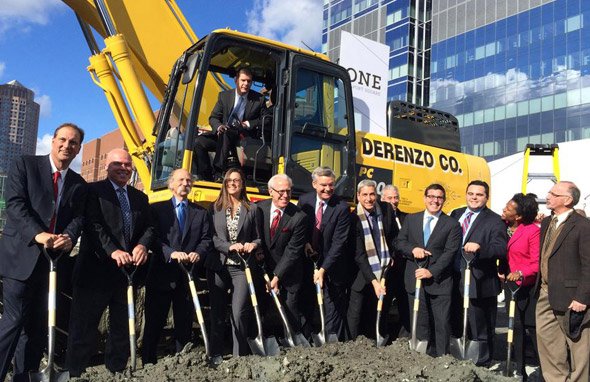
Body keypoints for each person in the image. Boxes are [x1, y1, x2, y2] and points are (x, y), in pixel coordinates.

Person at [0, 123, 86, 381]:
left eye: (73, 143)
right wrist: (39, 234)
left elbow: (78, 217)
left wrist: (69, 236)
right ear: (52, 141)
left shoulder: (78, 183)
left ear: (78, 148)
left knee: (36, 328)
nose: (66, 146)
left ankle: (24, 376)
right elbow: (14, 205)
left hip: (51, 264)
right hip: (21, 258)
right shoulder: (25, 165)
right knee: (14, 322)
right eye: (62, 139)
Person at [66, 148, 155, 376]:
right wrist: (112, 251)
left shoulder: (140, 198)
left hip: (125, 276)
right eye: (118, 164)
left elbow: (149, 227)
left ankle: (116, 372)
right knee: (84, 330)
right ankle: (75, 374)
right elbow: (92, 225)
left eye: (127, 165)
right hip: (94, 273)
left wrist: (142, 245)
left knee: (122, 330)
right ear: (107, 166)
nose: (124, 168)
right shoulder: (93, 191)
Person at [142, 169, 212, 364]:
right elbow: (152, 238)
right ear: (171, 184)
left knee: (184, 324)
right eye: (181, 180)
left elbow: (206, 239)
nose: (185, 183)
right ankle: (148, 362)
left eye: (189, 180)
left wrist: (198, 252)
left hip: (187, 277)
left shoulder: (201, 212)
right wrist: (170, 253)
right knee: (154, 322)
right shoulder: (156, 209)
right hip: (161, 274)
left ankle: (182, 363)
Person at [396, 184, 462, 357]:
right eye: (431, 196)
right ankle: (421, 359)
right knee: (420, 323)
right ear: (425, 198)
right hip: (415, 280)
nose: (435, 200)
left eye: (439, 197)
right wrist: (413, 249)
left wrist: (431, 271)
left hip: (439, 282)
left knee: (441, 324)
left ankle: (442, 360)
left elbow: (450, 253)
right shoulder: (411, 219)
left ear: (444, 200)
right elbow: (400, 242)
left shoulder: (452, 224)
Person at [535, 181, 590, 381]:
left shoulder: (583, 226)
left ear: (567, 200)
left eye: (553, 193)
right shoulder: (547, 222)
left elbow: (588, 264)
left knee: (579, 349)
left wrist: (582, 297)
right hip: (545, 293)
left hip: (572, 298)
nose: (547, 196)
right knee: (549, 345)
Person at [205, 168, 260, 365]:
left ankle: (239, 356)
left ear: (242, 183)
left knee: (239, 311)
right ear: (225, 183)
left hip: (241, 267)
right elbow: (211, 238)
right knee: (218, 311)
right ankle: (216, 354)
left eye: (237, 180)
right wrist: (229, 246)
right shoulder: (214, 208)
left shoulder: (252, 209)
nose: (233, 183)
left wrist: (253, 244)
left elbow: (259, 237)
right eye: (229, 180)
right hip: (219, 267)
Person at [449, 180, 507, 366]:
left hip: (480, 281)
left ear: (486, 197)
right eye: (471, 193)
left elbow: (500, 248)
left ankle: (482, 362)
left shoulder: (495, 220)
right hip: (455, 277)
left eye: (479, 194)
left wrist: (480, 248)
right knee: (457, 320)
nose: (474, 197)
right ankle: (459, 358)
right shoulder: (456, 214)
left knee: (480, 325)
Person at [298, 167, 351, 340]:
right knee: (306, 301)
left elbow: (339, 243)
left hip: (332, 264)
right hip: (308, 261)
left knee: (330, 304)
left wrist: (323, 270)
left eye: (331, 185)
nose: (328, 189)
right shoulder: (304, 201)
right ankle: (305, 339)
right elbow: (300, 228)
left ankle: (330, 341)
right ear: (314, 184)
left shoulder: (342, 208)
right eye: (323, 185)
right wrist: (305, 242)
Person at [346, 180, 399, 341]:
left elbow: (395, 238)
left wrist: (392, 256)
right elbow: (359, 255)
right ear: (358, 196)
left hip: (383, 270)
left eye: (372, 194)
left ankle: (376, 341)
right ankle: (352, 345)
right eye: (365, 195)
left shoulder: (386, 209)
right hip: (361, 275)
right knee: (356, 313)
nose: (369, 199)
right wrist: (374, 282)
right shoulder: (353, 218)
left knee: (378, 311)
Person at [257, 174, 307, 337]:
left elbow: (293, 251)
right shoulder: (259, 209)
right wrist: (265, 274)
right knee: (261, 310)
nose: (285, 195)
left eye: (288, 191)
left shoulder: (298, 217)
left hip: (289, 273)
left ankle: (292, 345)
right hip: (263, 270)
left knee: (290, 312)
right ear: (271, 191)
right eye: (281, 191)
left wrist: (277, 277)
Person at [194, 67, 266, 182]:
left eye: (249, 81)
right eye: (243, 80)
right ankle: (206, 177)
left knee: (227, 132)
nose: (246, 84)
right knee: (199, 142)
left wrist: (248, 124)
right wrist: (218, 126)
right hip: (223, 135)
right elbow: (214, 117)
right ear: (236, 80)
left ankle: (218, 171)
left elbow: (265, 120)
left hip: (243, 137)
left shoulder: (259, 99)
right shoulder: (224, 96)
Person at [499, 193, 540, 379]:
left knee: (531, 328)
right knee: (514, 327)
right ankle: (519, 368)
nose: (504, 209)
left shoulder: (532, 231)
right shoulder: (502, 227)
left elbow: (536, 262)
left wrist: (521, 273)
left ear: (519, 216)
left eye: (508, 208)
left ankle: (544, 369)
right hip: (510, 286)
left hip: (527, 287)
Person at [379, 184, 410, 336]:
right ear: (382, 199)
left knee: (405, 303)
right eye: (389, 198)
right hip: (387, 269)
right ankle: (381, 333)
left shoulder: (407, 218)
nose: (393, 201)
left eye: (396, 197)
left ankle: (404, 336)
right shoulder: (379, 218)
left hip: (404, 269)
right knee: (384, 304)